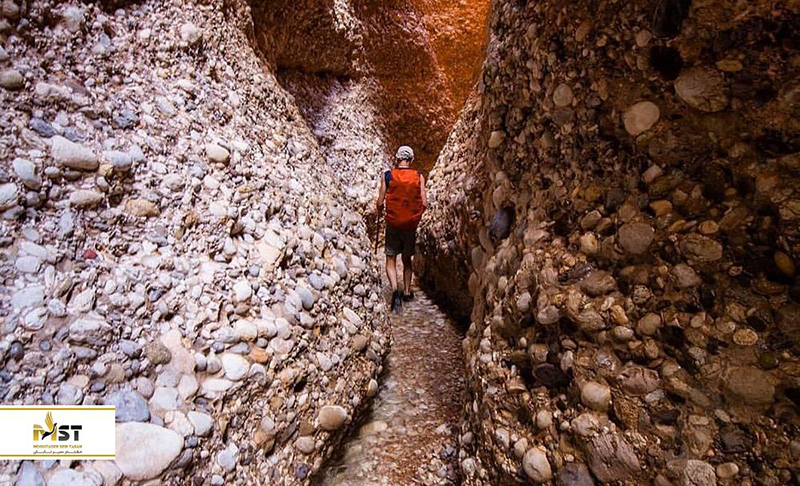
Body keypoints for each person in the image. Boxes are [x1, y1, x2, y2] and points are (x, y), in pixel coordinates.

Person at [376, 145, 427, 312]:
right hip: (410, 225)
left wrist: (380, 210)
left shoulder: (388, 175)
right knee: (406, 259)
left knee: (390, 259)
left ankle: (395, 290)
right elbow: (424, 203)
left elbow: (380, 201)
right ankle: (406, 292)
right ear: (411, 159)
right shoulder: (419, 176)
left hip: (393, 223)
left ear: (396, 158)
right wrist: (415, 216)